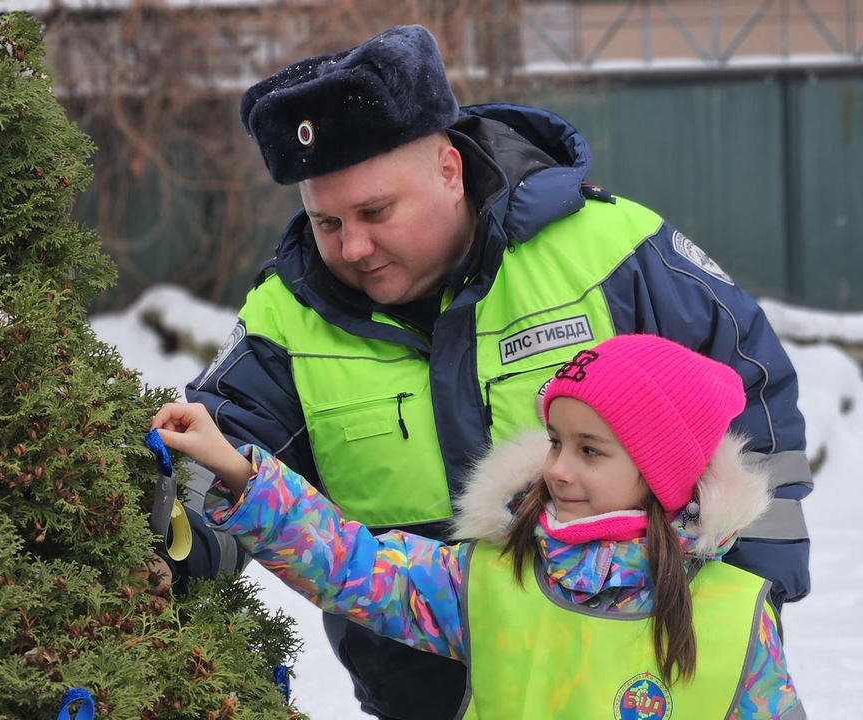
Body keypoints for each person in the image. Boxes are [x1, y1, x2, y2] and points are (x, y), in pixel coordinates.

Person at [182, 24, 812, 719]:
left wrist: (747, 599)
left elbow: (754, 407)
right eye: (325, 223)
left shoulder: (609, 249)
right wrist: (179, 540)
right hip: (416, 694)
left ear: (448, 170)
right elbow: (218, 463)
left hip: (662, 675)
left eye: (374, 211)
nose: (353, 246)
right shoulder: (282, 318)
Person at [155, 334, 804, 719]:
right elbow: (354, 568)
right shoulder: (490, 578)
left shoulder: (733, 613)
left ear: (660, 476)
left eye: (591, 450)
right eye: (555, 441)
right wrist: (239, 475)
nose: (559, 469)